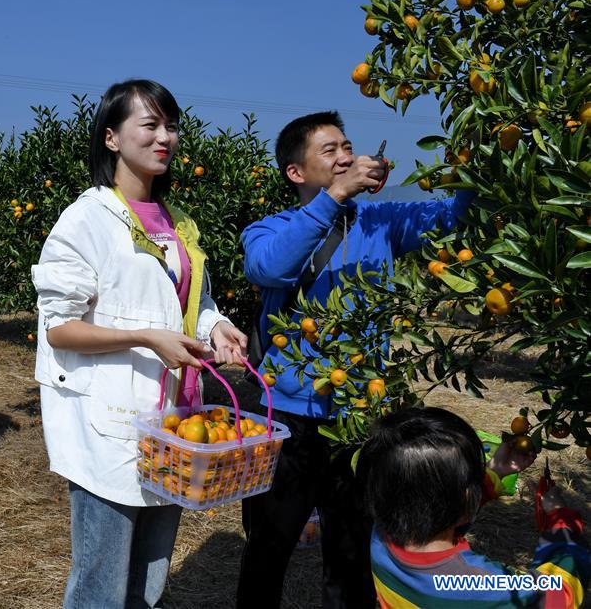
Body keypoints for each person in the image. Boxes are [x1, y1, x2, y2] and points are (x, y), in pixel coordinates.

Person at [238, 111, 475, 608]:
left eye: (347, 146)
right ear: (296, 173)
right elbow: (270, 269)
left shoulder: (381, 222)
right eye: (329, 151)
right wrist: (337, 196)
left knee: (350, 552)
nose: (345, 156)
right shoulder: (268, 229)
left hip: (357, 418)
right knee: (268, 545)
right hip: (286, 419)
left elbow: (455, 218)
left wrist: (477, 162)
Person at [32, 79, 247, 608]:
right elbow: (59, 327)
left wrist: (213, 326)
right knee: (101, 582)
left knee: (149, 577)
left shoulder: (178, 224)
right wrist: (146, 338)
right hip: (107, 422)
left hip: (171, 421)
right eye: (150, 125)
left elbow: (186, 304)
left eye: (171, 126)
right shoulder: (86, 219)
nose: (165, 138)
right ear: (112, 138)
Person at [360, 407, 589, 607]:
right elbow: (560, 596)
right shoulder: (469, 584)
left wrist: (496, 472)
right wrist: (562, 524)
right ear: (464, 500)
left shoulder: (382, 536)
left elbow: (432, 506)